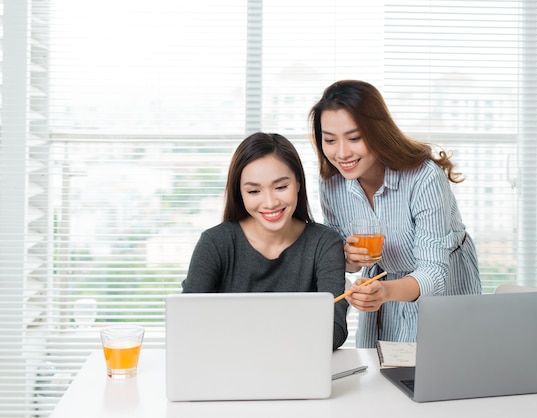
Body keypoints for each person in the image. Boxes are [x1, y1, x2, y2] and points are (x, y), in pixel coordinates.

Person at [309, 80, 481, 348]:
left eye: (354, 138)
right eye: (329, 140)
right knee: (381, 373)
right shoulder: (331, 182)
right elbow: (345, 261)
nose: (341, 153)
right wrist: (348, 257)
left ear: (378, 132)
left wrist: (386, 292)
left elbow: (433, 271)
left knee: (440, 372)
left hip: (443, 287)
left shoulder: (424, 178)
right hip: (383, 283)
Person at [182, 132, 349, 350]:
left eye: (281, 187)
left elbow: (335, 329)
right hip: (227, 367)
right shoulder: (214, 243)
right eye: (254, 191)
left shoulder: (325, 243)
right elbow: (187, 322)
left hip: (297, 368)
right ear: (240, 193)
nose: (270, 202)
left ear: (298, 183)